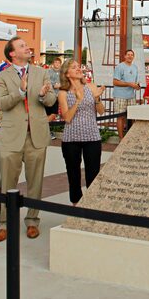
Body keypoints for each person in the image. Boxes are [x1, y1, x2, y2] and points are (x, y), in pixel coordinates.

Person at [0, 37, 56, 242]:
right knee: (7, 183)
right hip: (12, 137)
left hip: (36, 135)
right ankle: (4, 224)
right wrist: (20, 92)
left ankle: (32, 221)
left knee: (35, 182)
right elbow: (1, 103)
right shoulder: (1, 77)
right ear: (12, 53)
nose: (27, 47)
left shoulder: (41, 72)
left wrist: (43, 96)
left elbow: (52, 100)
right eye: (22, 46)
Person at [58, 59, 105, 205]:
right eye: (74, 67)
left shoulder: (90, 86)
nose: (79, 69)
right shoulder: (63, 93)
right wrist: (78, 101)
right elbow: (67, 118)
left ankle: (91, 206)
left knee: (93, 174)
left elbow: (101, 112)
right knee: (74, 175)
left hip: (92, 137)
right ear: (67, 73)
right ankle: (76, 206)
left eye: (79, 67)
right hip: (71, 139)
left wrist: (97, 98)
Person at [112, 49, 140, 138]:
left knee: (132, 116)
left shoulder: (135, 67)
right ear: (124, 56)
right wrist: (129, 84)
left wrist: (137, 86)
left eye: (132, 55)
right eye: (128, 54)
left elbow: (136, 83)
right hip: (120, 96)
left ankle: (130, 138)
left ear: (133, 57)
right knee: (120, 117)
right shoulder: (119, 67)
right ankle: (121, 138)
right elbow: (115, 82)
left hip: (131, 96)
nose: (130, 56)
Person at [45, 57, 62, 126]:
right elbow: (46, 81)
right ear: (53, 63)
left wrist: (61, 85)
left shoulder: (62, 73)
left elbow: (65, 82)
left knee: (54, 113)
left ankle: (45, 128)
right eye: (56, 62)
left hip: (59, 95)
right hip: (50, 95)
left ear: (60, 64)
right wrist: (53, 85)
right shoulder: (48, 71)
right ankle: (44, 128)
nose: (57, 64)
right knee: (50, 113)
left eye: (58, 63)